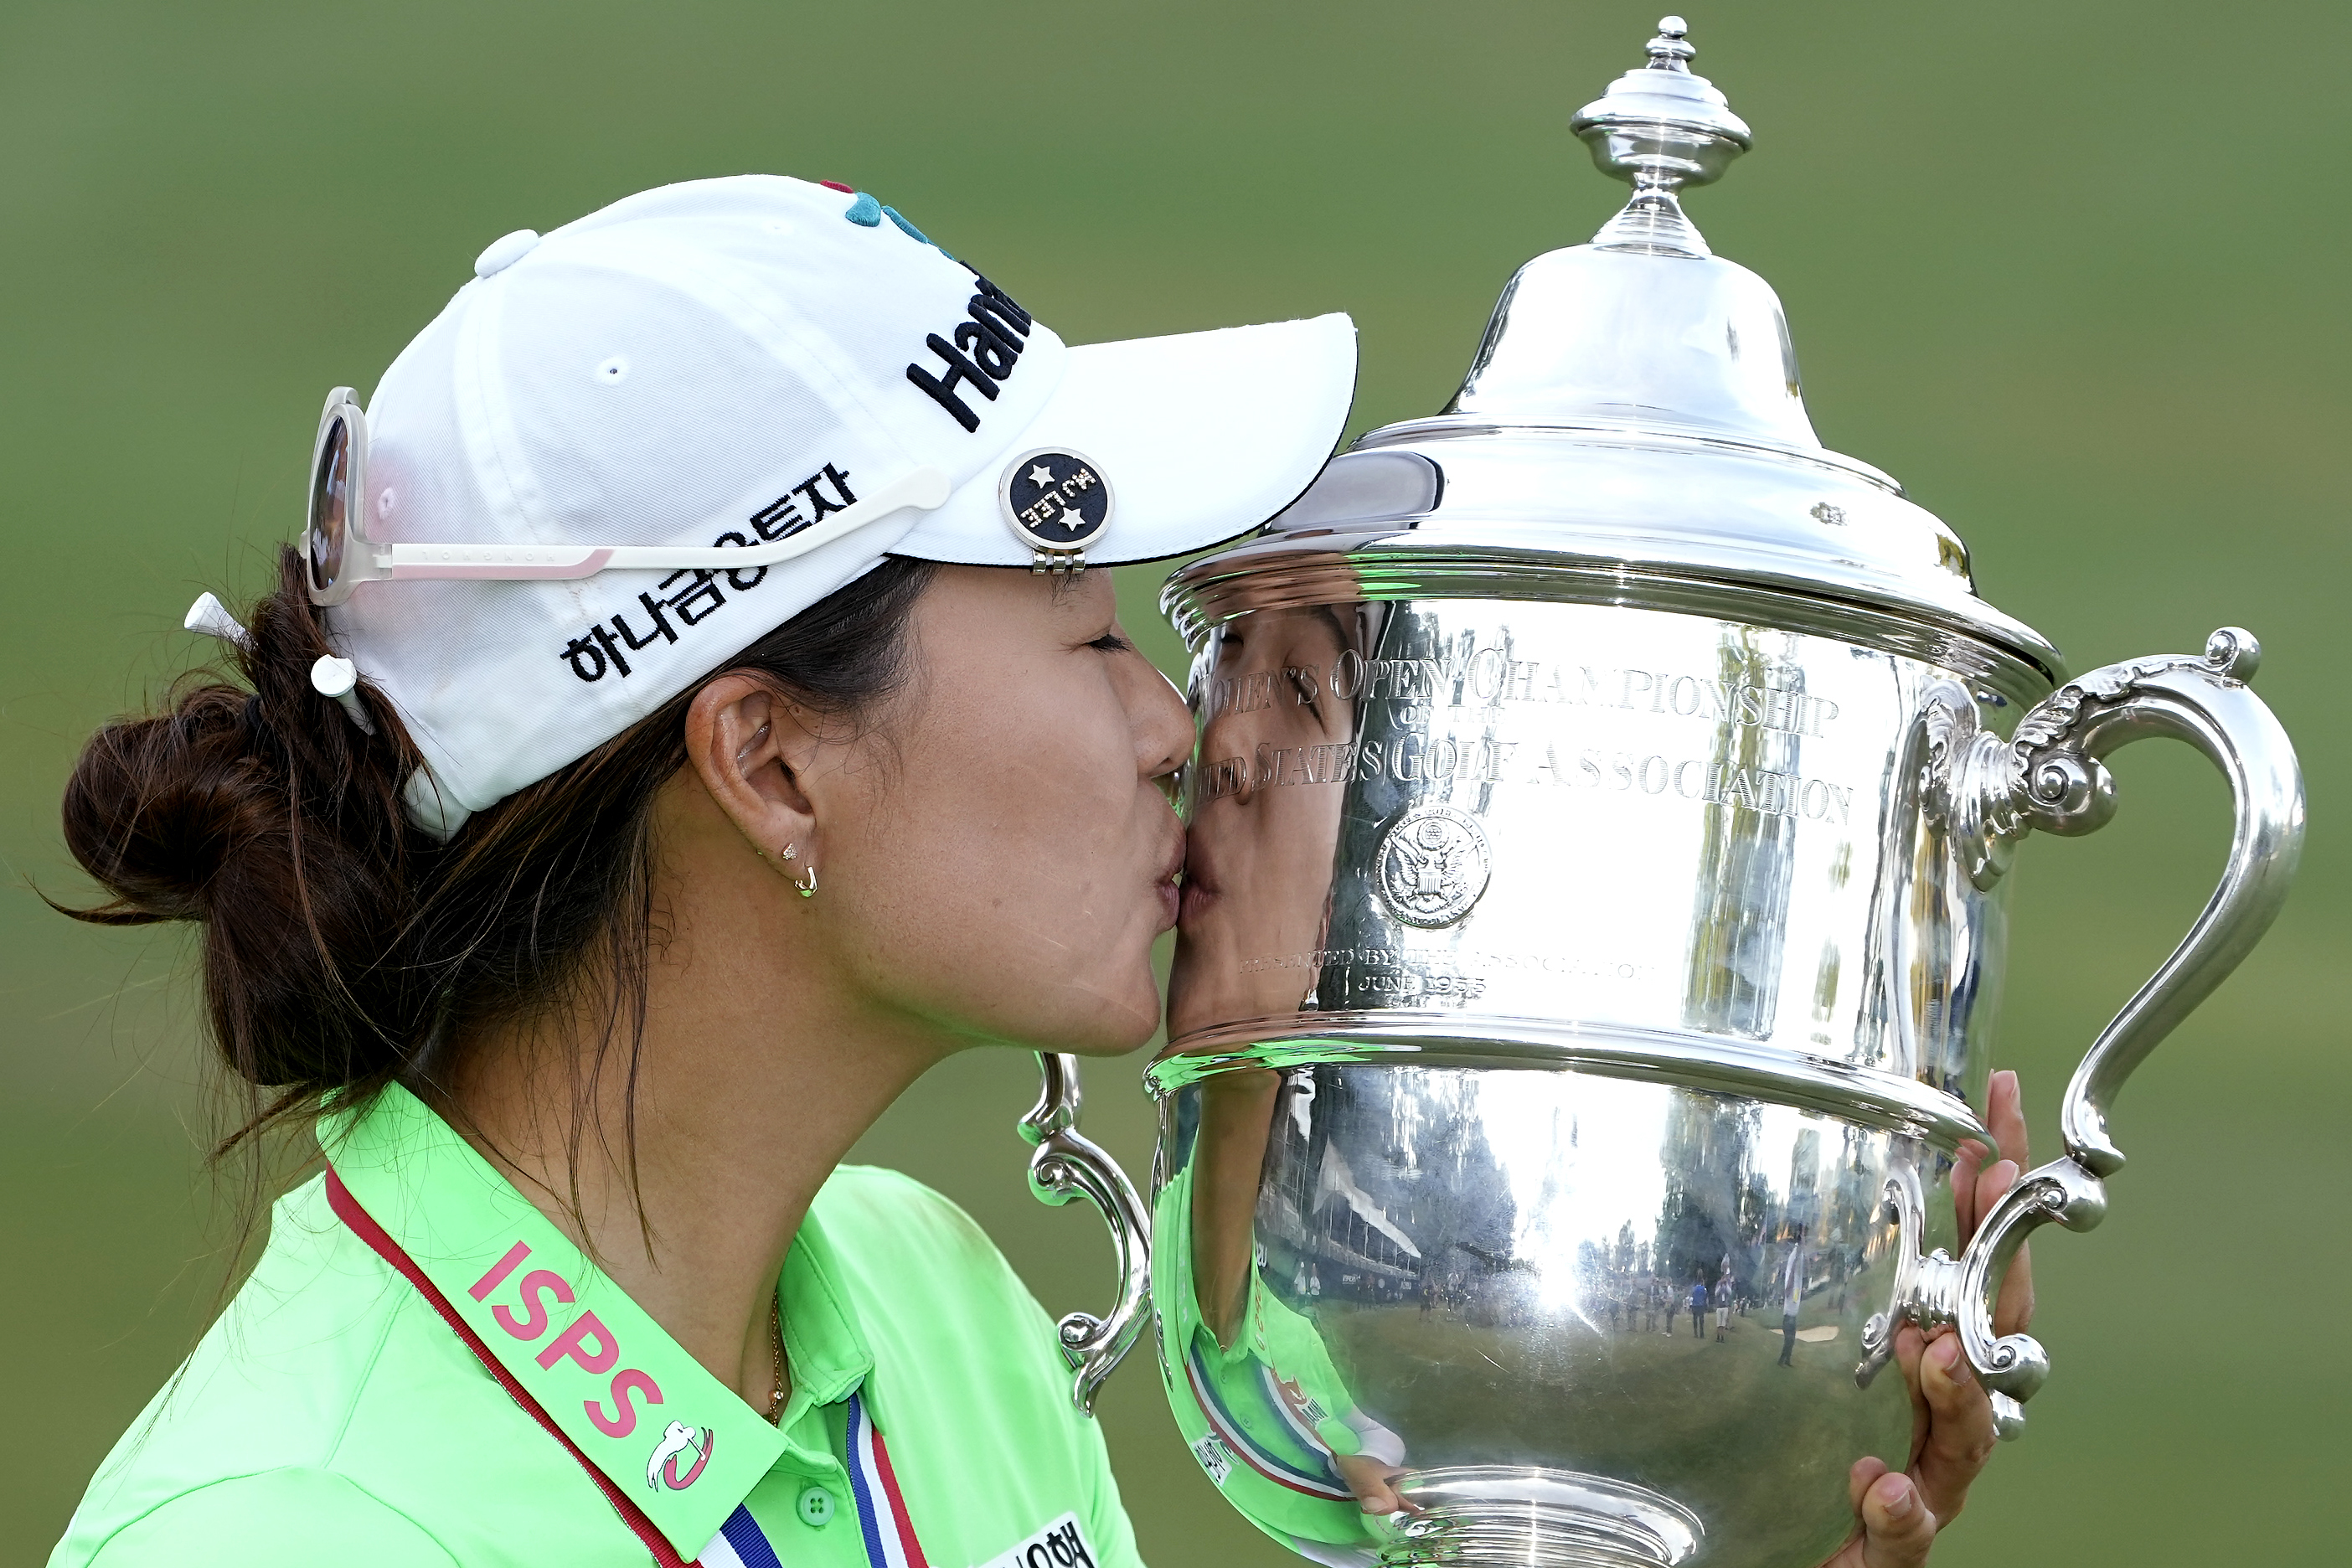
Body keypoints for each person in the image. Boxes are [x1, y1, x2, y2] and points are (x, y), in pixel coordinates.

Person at [45, 172, 2031, 1568]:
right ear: (770, 761)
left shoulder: (932, 1315)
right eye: (1087, 626)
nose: (1178, 727)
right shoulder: (293, 1531)